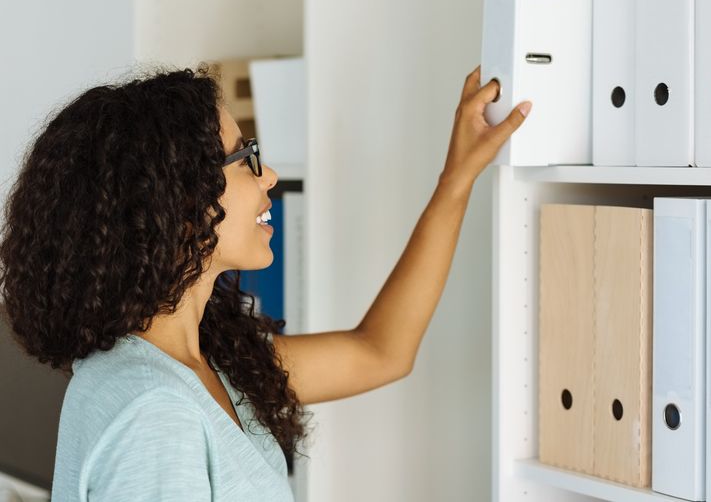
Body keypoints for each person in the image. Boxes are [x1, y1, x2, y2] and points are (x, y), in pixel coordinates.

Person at [0, 65, 529, 501]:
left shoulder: (201, 363)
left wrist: (457, 178)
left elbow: (381, 351)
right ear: (175, 199)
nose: (268, 175)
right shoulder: (153, 414)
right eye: (244, 158)